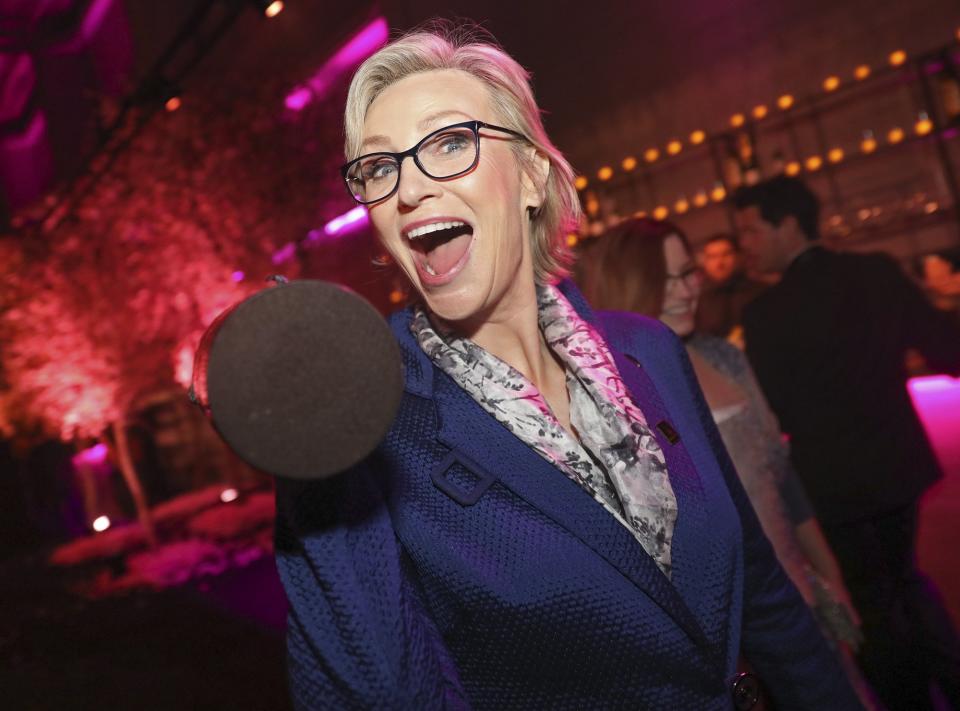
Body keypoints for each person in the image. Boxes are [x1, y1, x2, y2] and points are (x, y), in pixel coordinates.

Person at [274, 26, 860, 710]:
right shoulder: (375, 426)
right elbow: (372, 689)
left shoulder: (651, 351)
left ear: (531, 175)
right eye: (379, 167)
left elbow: (757, 587)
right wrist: (305, 439)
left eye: (449, 142)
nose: (407, 190)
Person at [578, 217, 874, 706]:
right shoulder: (618, 399)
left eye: (689, 271)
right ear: (627, 284)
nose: (688, 288)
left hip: (794, 595)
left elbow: (783, 479)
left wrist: (829, 575)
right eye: (667, 278)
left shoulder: (724, 357)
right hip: (730, 628)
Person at [734, 175, 960, 711]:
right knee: (905, 579)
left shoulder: (765, 313)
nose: (745, 243)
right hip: (899, 466)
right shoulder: (875, 273)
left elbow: (774, 413)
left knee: (872, 603)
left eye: (749, 229)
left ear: (787, 224)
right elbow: (945, 346)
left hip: (832, 487)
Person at [695, 233, 768, 346]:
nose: (719, 263)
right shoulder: (699, 303)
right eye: (712, 257)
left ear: (739, 256)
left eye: (726, 254)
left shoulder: (760, 292)